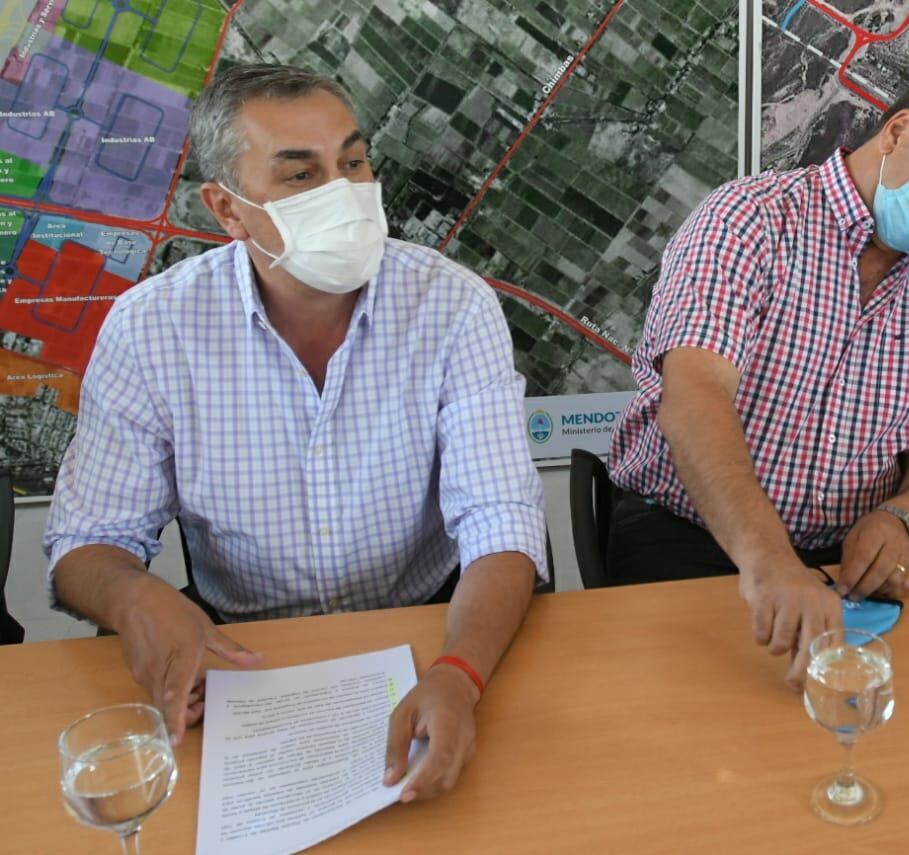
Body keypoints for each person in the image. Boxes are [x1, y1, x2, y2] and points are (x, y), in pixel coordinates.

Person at [43, 65, 547, 803]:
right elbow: (86, 542)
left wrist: (459, 673)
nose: (343, 194)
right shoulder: (153, 328)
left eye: (352, 162)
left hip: (432, 632)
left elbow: (500, 521)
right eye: (301, 175)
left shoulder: (453, 307)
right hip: (245, 663)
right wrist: (132, 598)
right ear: (228, 209)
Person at [608, 66, 909, 688]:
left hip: (849, 561)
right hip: (696, 538)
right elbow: (693, 399)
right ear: (898, 131)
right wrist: (769, 560)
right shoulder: (750, 219)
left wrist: (906, 520)